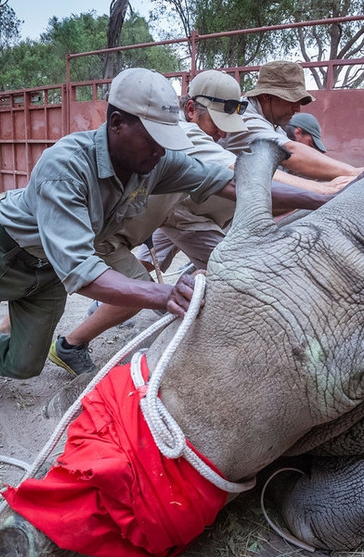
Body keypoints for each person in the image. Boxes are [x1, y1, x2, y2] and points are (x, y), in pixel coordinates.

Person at [0, 68, 333, 409]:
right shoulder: (66, 164)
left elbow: (232, 183)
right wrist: (163, 293)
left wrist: (323, 199)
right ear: (117, 123)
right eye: (153, 137)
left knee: (26, 365)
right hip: (1, 249)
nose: (162, 149)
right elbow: (83, 272)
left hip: (46, 273)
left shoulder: (156, 159)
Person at [48, 69, 339, 376]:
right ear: (190, 110)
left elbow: (225, 181)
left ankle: (57, 335)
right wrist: (329, 191)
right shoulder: (187, 136)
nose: (224, 134)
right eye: (218, 123)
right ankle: (67, 341)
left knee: (81, 277)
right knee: (118, 284)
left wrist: (319, 197)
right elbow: (238, 175)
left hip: (159, 219)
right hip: (139, 225)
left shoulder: (184, 144)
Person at [221, 60, 364, 183]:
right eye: (291, 100)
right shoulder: (245, 119)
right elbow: (290, 152)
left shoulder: (273, 124)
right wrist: (355, 173)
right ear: (266, 96)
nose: (297, 108)